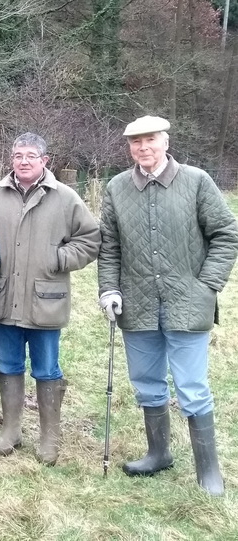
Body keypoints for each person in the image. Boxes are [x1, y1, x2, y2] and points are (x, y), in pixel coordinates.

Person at [98, 115, 238, 496]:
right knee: (146, 383)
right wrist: (109, 289)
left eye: (150, 141)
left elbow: (226, 235)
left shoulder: (196, 181)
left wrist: (207, 285)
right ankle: (158, 453)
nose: (143, 148)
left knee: (192, 386)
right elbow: (109, 247)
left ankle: (209, 471)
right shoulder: (116, 187)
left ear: (165, 141)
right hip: (137, 305)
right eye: (135, 142)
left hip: (188, 304)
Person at [0, 132, 100, 465]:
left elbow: (90, 240)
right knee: (7, 365)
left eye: (31, 155)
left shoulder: (65, 197)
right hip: (2, 298)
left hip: (45, 300)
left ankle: (50, 438)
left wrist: (58, 259)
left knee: (47, 369)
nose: (23, 161)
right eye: (18, 155)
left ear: (45, 160)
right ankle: (11, 430)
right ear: (11, 159)